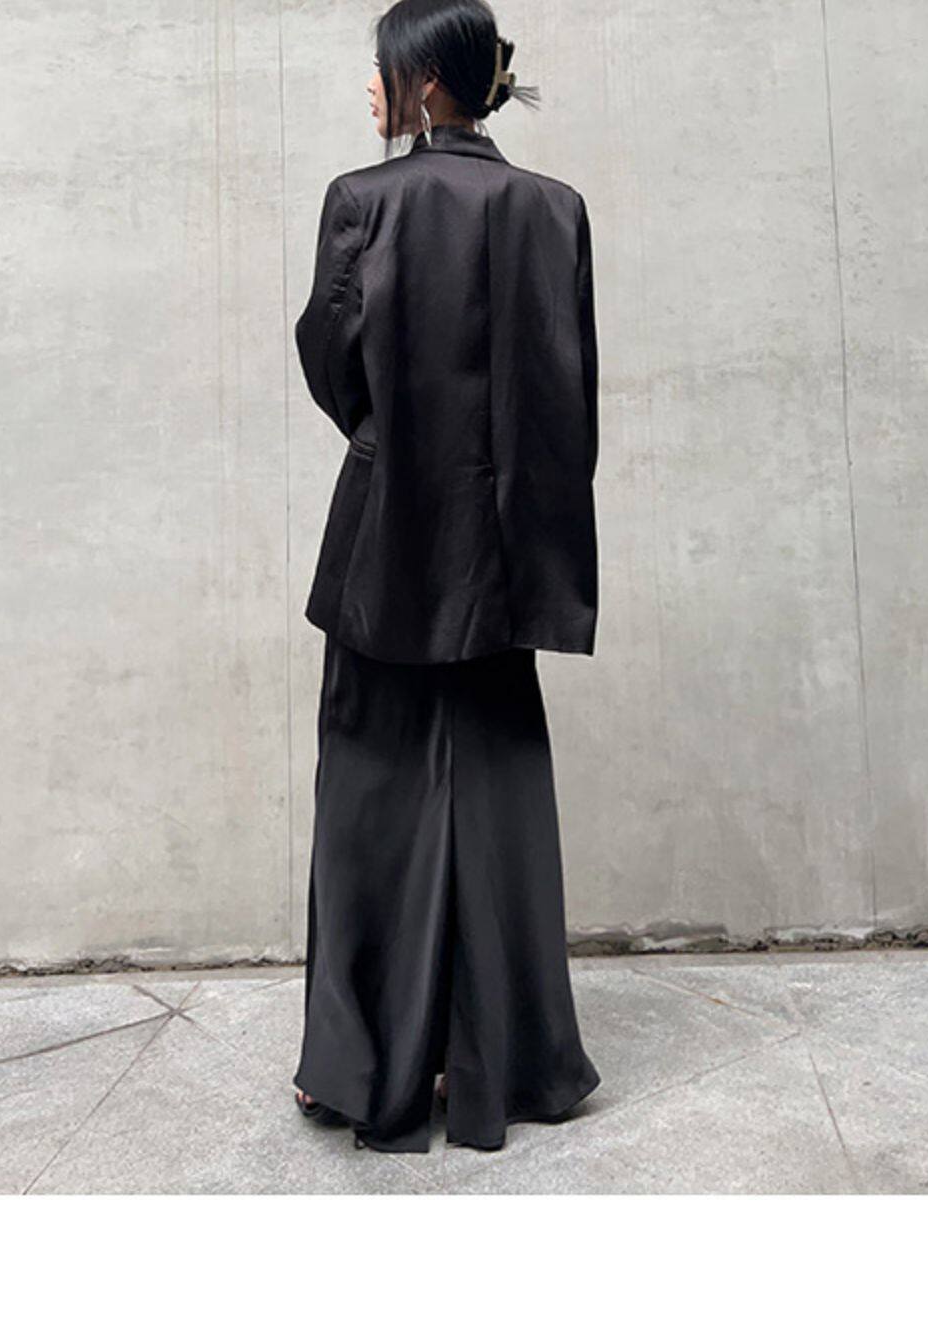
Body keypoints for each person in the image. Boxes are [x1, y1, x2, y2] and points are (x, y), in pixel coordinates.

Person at [291, 0, 603, 1153]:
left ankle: (360, 1060)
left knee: (368, 796)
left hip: (388, 538)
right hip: (508, 547)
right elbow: (570, 392)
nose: (370, 89)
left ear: (425, 83)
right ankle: (512, 1056)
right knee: (499, 789)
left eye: (383, 71)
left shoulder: (361, 201)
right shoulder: (555, 210)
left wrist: (399, 440)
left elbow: (333, 363)